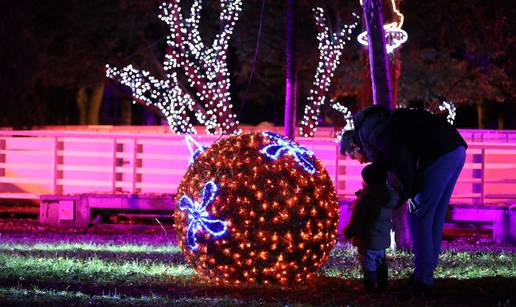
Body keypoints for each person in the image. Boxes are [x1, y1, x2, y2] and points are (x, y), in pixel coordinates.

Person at [340, 105, 467, 296]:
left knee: (418, 215)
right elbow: (392, 158)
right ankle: (425, 274)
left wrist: (408, 190)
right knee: (434, 215)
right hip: (453, 148)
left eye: (353, 156)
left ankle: (423, 281)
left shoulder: (371, 132)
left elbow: (399, 155)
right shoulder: (375, 126)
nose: (358, 161)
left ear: (354, 146)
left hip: (437, 152)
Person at [343, 162, 399, 292]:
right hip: (382, 240)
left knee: (368, 264)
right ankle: (382, 284)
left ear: (367, 181)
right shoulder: (388, 197)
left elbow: (357, 221)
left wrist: (348, 232)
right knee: (381, 262)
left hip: (367, 240)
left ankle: (369, 287)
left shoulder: (365, 200)